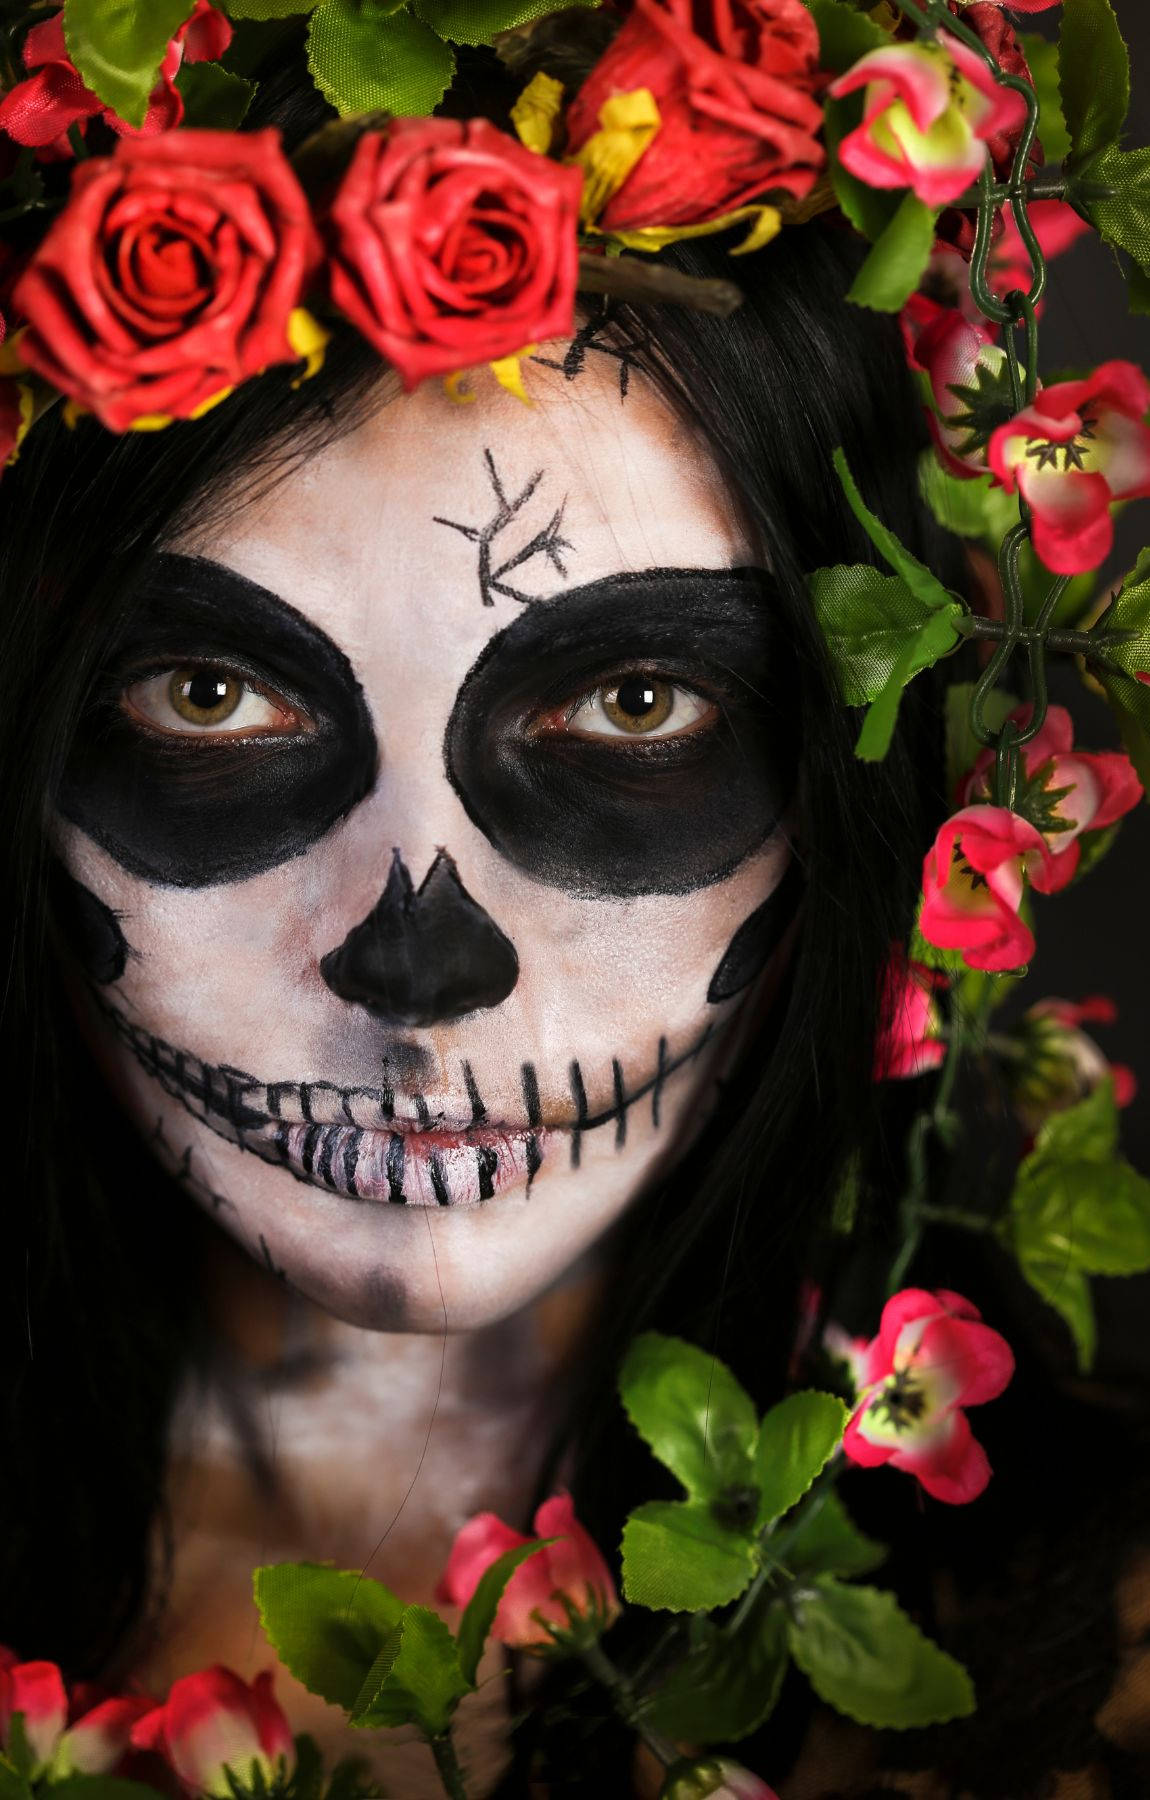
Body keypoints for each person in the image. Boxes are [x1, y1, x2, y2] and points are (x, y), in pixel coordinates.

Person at [4, 15, 1144, 1800]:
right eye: (211, 700)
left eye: (632, 707)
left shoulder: (1105, 1675)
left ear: (846, 794)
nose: (418, 963)